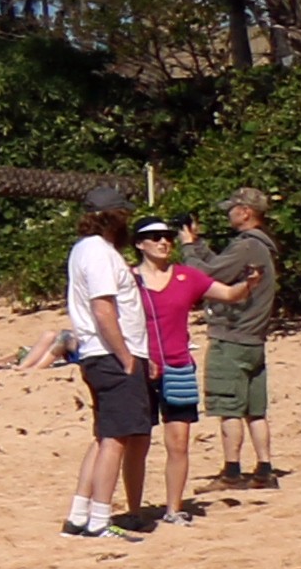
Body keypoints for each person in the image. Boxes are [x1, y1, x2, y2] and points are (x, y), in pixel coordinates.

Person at [58, 202, 154, 537]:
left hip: (99, 354)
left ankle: (79, 514)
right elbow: (103, 309)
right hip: (110, 354)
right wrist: (126, 357)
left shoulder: (86, 250)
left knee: (103, 437)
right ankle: (100, 520)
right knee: (117, 438)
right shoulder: (99, 252)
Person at [197, 192, 281, 486]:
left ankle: (232, 472)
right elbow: (220, 267)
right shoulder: (262, 247)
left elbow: (205, 275)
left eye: (232, 209)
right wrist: (198, 244)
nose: (228, 214)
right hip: (254, 341)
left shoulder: (247, 246)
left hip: (232, 340)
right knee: (255, 411)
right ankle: (264, 469)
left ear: (245, 212)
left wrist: (187, 247)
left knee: (228, 408)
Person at [136, 220, 206, 455]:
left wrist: (249, 283)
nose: (164, 241)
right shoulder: (127, 279)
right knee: (136, 441)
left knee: (179, 444)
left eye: (167, 236)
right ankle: (133, 494)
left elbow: (226, 292)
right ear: (139, 244)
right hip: (140, 367)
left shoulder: (186, 276)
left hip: (179, 368)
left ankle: (174, 495)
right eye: (155, 237)